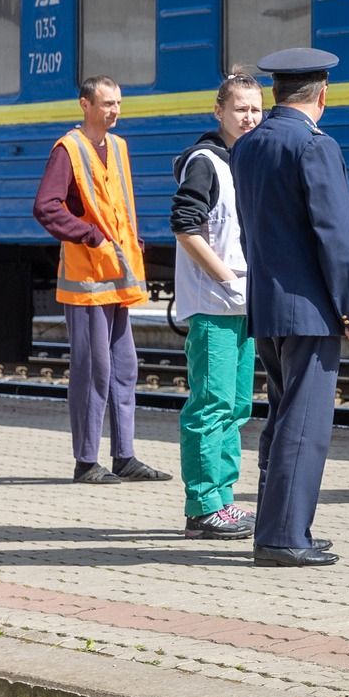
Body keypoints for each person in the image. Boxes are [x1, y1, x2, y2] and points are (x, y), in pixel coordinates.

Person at [230, 48, 349, 568]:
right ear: (322, 94)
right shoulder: (315, 146)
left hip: (267, 303)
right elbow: (335, 236)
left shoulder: (248, 146)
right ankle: (284, 537)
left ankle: (278, 524)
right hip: (310, 308)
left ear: (277, 92)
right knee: (305, 424)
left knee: (282, 418)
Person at [31, 75, 171, 485]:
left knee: (124, 367)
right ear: (85, 105)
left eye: (119, 103)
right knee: (93, 370)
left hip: (119, 274)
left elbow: (119, 206)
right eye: (107, 103)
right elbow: (45, 207)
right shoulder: (68, 149)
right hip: (87, 278)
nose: (115, 111)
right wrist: (90, 235)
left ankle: (125, 455)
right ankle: (87, 461)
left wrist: (132, 241)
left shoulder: (120, 148)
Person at [169, 70, 265, 539]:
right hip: (215, 304)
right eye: (240, 108)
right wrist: (226, 279)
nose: (248, 117)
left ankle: (223, 500)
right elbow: (185, 226)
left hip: (243, 305)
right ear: (219, 110)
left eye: (255, 109)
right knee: (210, 405)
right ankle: (202, 505)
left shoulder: (244, 161)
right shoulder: (205, 162)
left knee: (237, 406)